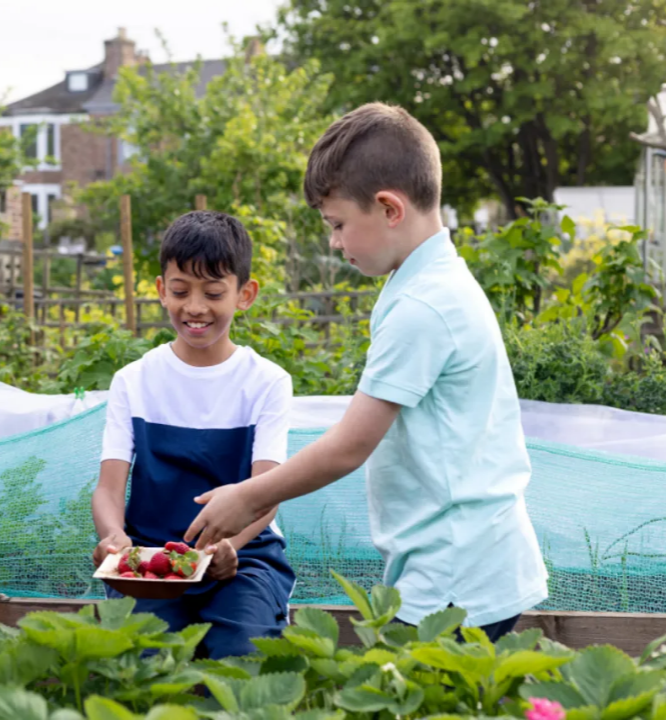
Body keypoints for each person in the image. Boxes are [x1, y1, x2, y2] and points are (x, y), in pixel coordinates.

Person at [185, 103, 548, 641]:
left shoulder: (425, 306)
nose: (334, 242)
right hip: (458, 563)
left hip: (457, 575)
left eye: (338, 224)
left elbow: (350, 446)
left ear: (389, 208)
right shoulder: (422, 285)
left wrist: (249, 496)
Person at [92, 210, 296, 659]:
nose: (196, 307)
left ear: (245, 295)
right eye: (181, 291)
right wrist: (112, 537)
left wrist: (229, 547)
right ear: (162, 291)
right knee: (145, 660)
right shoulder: (134, 380)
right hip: (150, 562)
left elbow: (267, 493)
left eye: (214, 292)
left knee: (241, 654)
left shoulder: (266, 381)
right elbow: (109, 489)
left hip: (245, 558)